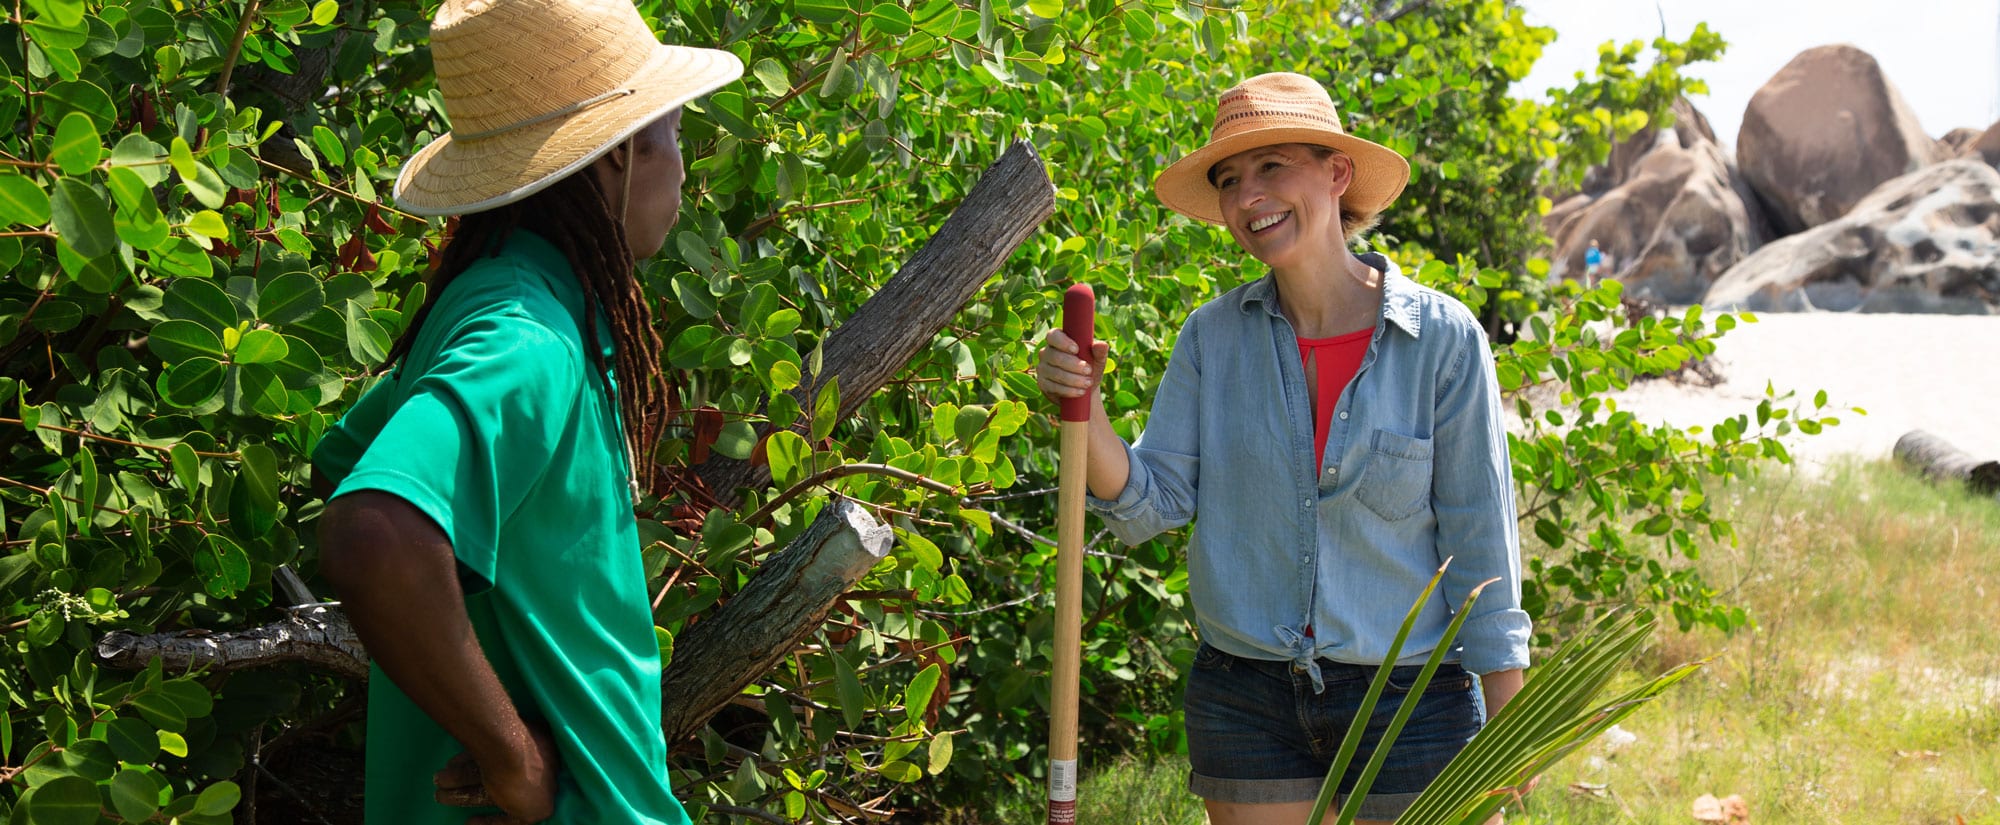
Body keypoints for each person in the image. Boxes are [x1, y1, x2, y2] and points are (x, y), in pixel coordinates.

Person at [1034, 72, 1530, 825]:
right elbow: (1150, 503)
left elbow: (1481, 546)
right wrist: (1085, 405)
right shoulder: (1212, 337)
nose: (1248, 196)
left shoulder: (1444, 341)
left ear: (1338, 174)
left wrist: (1512, 720)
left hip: (1412, 703)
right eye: (1230, 179)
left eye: (1272, 166)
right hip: (1248, 698)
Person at [310, 1, 741, 822]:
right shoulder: (527, 336)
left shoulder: (515, 299)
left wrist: (492, 684)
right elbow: (374, 530)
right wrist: (509, 753)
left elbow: (355, 451)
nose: (686, 169)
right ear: (619, 155)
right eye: (676, 135)